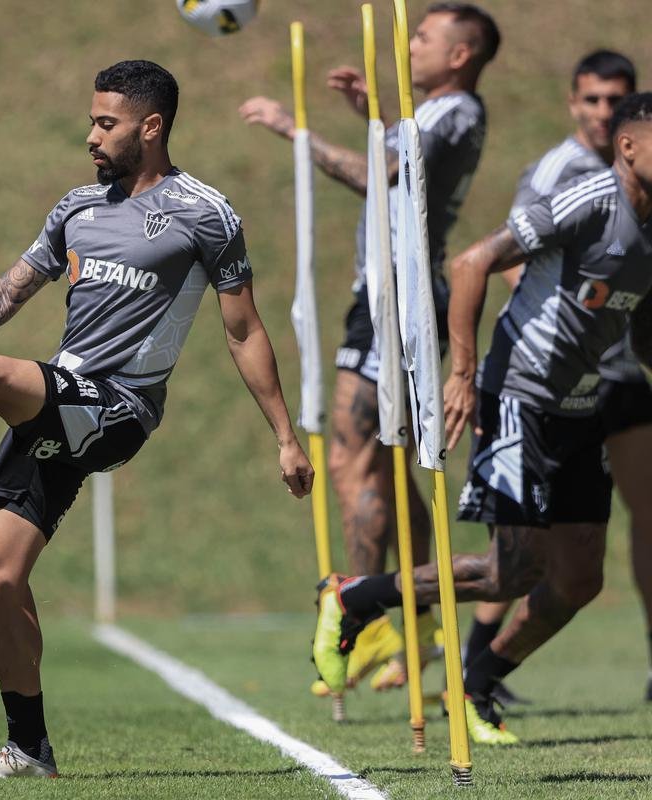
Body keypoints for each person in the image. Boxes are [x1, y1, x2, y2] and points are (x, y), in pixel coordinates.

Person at [0, 60, 315, 780]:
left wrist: (285, 438)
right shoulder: (76, 206)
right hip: (61, 399)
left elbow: (242, 330)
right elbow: (10, 293)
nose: (91, 135)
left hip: (121, 408)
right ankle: (28, 749)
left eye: (105, 122)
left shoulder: (207, 213)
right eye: (92, 120)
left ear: (152, 126)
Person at [311, 92, 652, 744]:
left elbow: (641, 324)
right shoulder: (591, 200)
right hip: (519, 394)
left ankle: (477, 684)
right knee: (511, 571)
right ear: (628, 147)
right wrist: (463, 374)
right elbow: (472, 262)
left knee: (579, 580)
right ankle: (353, 597)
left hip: (583, 408)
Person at [239, 2, 500, 691]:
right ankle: (414, 618)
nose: (411, 45)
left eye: (424, 37)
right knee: (386, 465)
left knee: (358, 458)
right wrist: (373, 115)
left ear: (462, 55)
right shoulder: (442, 115)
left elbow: (382, 176)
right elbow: (402, 162)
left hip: (399, 301)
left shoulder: (458, 113)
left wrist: (297, 133)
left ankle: (365, 618)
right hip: (391, 296)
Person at [463, 50, 652, 706]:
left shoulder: (645, 196)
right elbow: (512, 262)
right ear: (575, 102)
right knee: (517, 557)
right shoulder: (564, 175)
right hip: (541, 373)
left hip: (614, 373)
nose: (602, 112)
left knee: (620, 532)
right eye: (592, 100)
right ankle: (471, 658)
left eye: (614, 99)